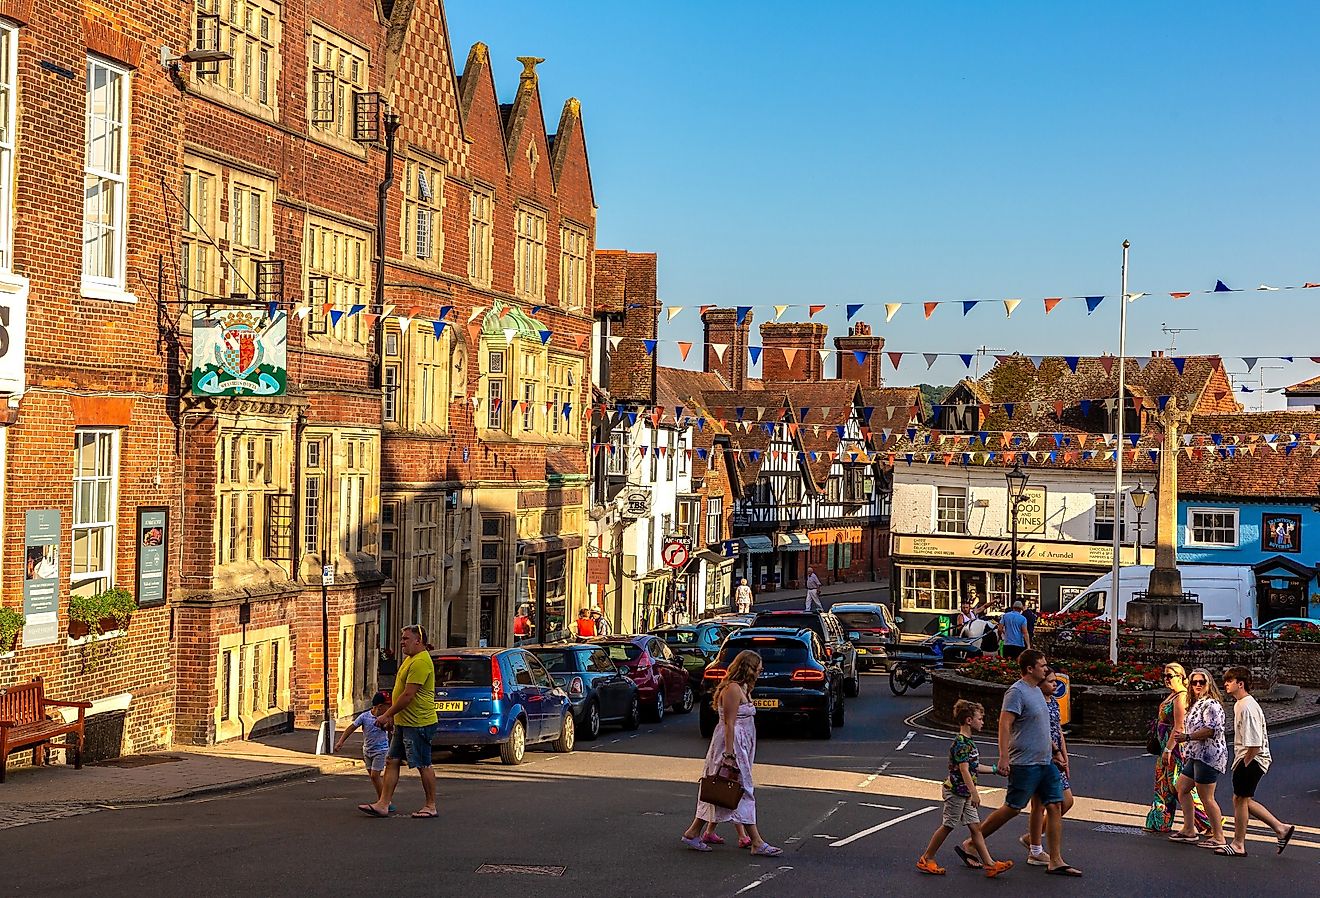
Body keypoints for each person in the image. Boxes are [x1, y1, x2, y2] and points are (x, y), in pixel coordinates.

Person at [958, 649, 1080, 876]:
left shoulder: (1037, 691)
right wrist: (1003, 756)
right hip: (1024, 762)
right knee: (1013, 808)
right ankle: (973, 842)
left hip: (1045, 762)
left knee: (1055, 805)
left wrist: (1055, 753)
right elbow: (1004, 725)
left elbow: (1043, 728)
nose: (1046, 669)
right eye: (1042, 666)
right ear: (1030, 669)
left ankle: (1055, 860)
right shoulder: (1017, 692)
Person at [681, 650, 780, 856]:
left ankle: (694, 832)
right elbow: (729, 723)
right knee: (742, 788)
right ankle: (756, 841)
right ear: (748, 667)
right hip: (731, 744)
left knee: (722, 789)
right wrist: (728, 753)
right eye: (758, 667)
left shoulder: (744, 687)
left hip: (742, 744)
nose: (761, 670)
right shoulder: (732, 689)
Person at [917, 699, 1013, 877]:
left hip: (964, 792)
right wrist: (975, 793)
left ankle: (990, 864)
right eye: (980, 718)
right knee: (948, 825)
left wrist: (994, 770)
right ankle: (926, 858)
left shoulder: (968, 742)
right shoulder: (961, 743)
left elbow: (973, 766)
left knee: (975, 828)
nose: (982, 722)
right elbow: (964, 769)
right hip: (956, 792)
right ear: (969, 720)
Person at [360, 624, 438, 819]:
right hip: (405, 722)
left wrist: (386, 714)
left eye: (406, 639)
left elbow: (408, 695)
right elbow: (400, 693)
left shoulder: (421, 662)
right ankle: (383, 804)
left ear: (418, 640)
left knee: (423, 764)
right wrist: (394, 718)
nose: (402, 642)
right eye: (402, 638)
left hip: (419, 722)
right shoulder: (409, 659)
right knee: (391, 760)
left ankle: (431, 805)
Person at [1220, 666, 1295, 857]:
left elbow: (1254, 742)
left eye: (1230, 681)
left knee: (1240, 799)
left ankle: (1238, 844)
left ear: (1240, 683)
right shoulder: (1242, 704)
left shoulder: (1246, 706)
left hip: (1252, 759)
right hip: (1249, 758)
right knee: (1241, 799)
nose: (1226, 684)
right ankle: (1281, 829)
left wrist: (1245, 762)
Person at [1145, 663, 1210, 834]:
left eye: (1170, 676)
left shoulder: (1181, 696)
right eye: (1165, 675)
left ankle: (1208, 821)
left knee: (1178, 784)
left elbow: (1179, 726)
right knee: (1163, 784)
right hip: (1164, 745)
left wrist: (1168, 749)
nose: (1166, 679)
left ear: (1181, 677)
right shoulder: (1173, 695)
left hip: (1175, 747)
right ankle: (1160, 821)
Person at [1021, 667, 1074, 865]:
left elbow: (1058, 731)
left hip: (1056, 757)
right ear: (1040, 684)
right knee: (1040, 805)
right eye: (1050, 681)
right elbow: (1040, 733)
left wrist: (1065, 756)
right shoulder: (1037, 702)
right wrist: (1056, 754)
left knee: (1066, 802)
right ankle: (1035, 849)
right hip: (1042, 756)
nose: (1055, 684)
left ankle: (1032, 840)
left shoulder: (1053, 703)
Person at [1170, 667, 1228, 849]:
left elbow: (1211, 730)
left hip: (1208, 756)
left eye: (1201, 682)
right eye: (1194, 682)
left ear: (1208, 683)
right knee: (1182, 787)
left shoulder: (1211, 704)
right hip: (1195, 754)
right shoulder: (1197, 703)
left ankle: (1219, 836)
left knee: (1206, 797)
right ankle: (1189, 829)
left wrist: (1187, 737)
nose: (1197, 685)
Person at [335, 691, 393, 812]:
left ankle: (385, 801)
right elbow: (351, 728)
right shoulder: (364, 716)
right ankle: (383, 800)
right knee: (373, 777)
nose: (390, 708)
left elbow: (390, 727)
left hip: (381, 750)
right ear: (380, 707)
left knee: (375, 775)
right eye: (388, 706)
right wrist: (341, 741)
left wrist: (386, 724)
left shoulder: (386, 717)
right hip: (367, 750)